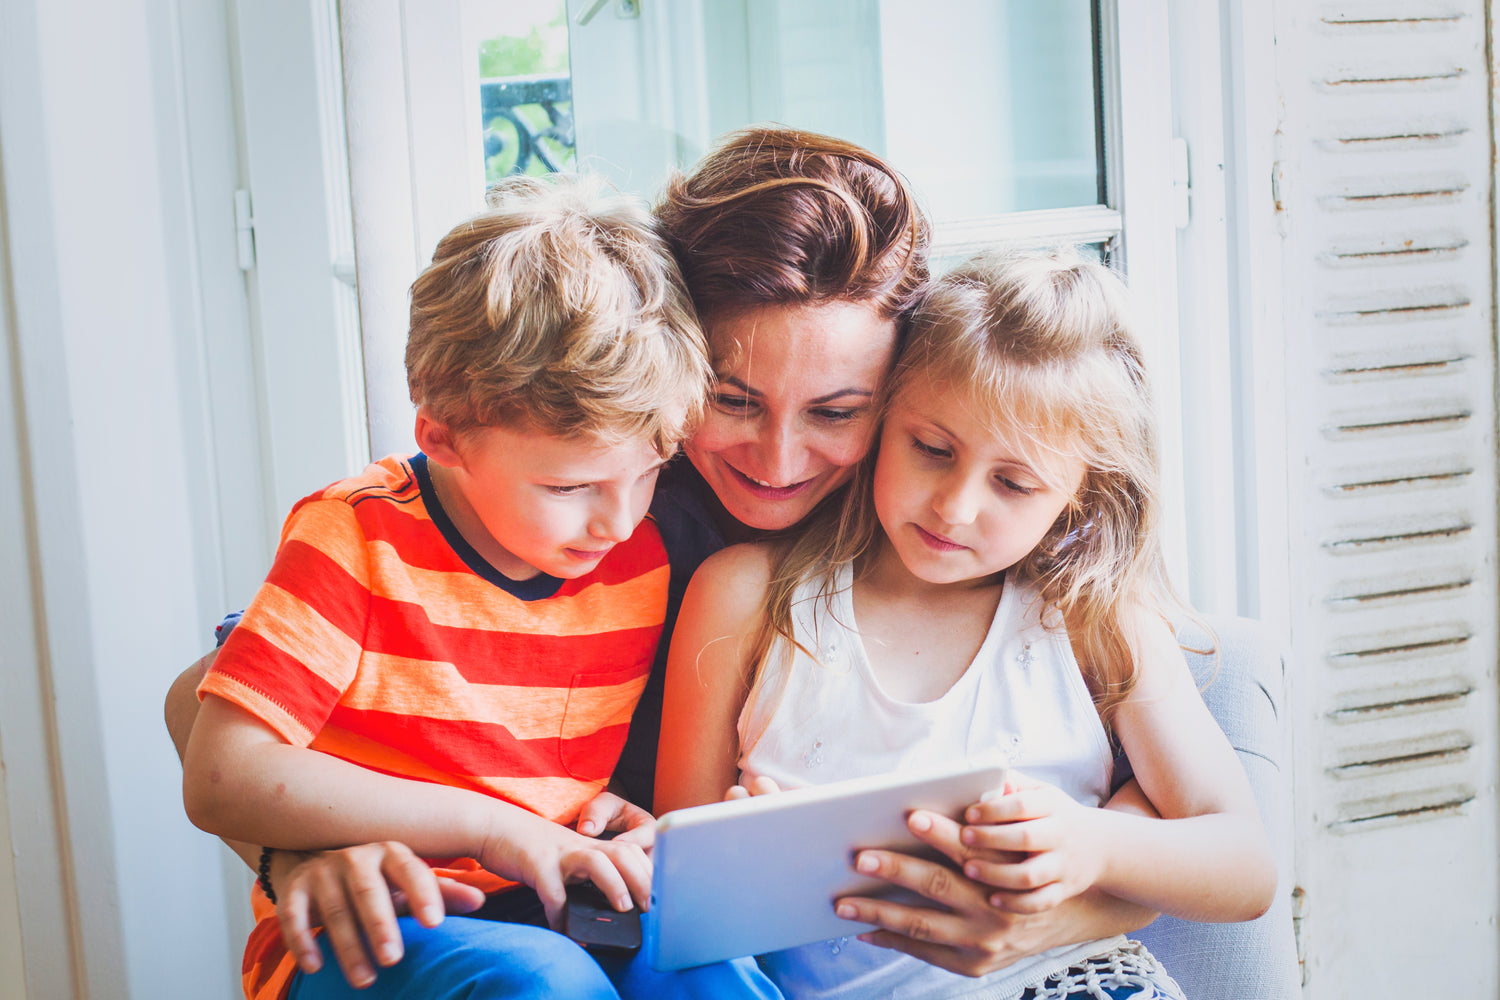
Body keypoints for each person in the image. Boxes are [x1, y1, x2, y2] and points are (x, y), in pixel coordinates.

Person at [166, 128, 1163, 990]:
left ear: (904, 399)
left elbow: (1162, 795)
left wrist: (1066, 911)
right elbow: (205, 702)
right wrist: (296, 851)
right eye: (730, 401)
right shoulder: (602, 501)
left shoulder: (945, 525)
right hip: (496, 924)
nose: (777, 462)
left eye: (837, 412)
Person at [179, 173, 781, 1000]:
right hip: (378, 925)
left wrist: (623, 824)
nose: (617, 521)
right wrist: (496, 831)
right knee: (544, 983)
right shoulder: (355, 536)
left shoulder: (639, 549)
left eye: (650, 473)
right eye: (571, 489)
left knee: (713, 975)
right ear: (445, 435)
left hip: (564, 905)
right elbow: (220, 772)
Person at [655, 249, 1278, 999]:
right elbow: (679, 896)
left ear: (1079, 496)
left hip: (1070, 981)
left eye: (1013, 483)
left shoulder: (1091, 617)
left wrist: (1094, 845)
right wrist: (752, 861)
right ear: (884, 421)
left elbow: (1245, 867)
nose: (955, 507)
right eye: (932, 450)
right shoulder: (746, 596)